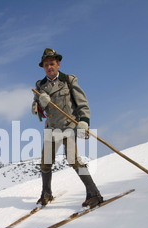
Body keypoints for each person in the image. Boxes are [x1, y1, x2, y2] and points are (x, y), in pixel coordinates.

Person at [32, 48, 103, 208]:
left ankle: (94, 194)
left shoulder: (69, 80)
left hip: (69, 127)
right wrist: (40, 104)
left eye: (52, 64)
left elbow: (82, 103)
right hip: (51, 129)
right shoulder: (40, 86)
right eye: (46, 65)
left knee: (73, 160)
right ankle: (46, 193)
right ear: (43, 67)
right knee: (45, 163)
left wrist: (84, 121)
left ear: (58, 64)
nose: (49, 67)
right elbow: (35, 111)